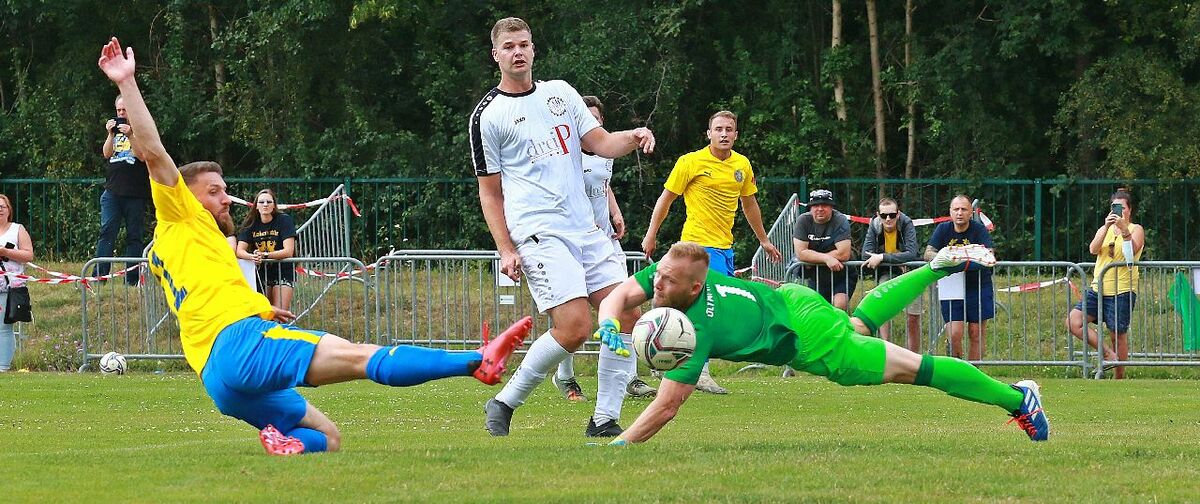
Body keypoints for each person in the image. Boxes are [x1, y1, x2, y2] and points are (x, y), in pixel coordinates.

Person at [98, 36, 531, 455]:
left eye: (225, 189)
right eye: (214, 191)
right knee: (363, 357)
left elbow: (205, 288)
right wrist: (127, 83)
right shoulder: (179, 213)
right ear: (185, 195)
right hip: (241, 345)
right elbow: (153, 152)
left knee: (327, 434)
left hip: (217, 377)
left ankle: (288, 445)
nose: (226, 197)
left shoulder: (168, 246)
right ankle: (476, 361)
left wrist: (262, 308)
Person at [593, 241, 1049, 445]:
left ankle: (1018, 399)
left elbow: (666, 407)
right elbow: (619, 295)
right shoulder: (674, 277)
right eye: (658, 279)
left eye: (665, 284)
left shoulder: (697, 327)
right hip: (794, 299)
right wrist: (610, 322)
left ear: (693, 289)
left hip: (807, 338)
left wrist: (618, 448)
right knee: (859, 326)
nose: (656, 289)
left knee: (913, 369)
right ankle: (935, 268)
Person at [470, 18, 655, 437]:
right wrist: (505, 248)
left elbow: (601, 143)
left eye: (524, 45)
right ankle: (504, 401)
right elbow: (490, 193)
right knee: (574, 327)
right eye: (509, 47)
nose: (518, 52)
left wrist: (635, 134)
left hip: (586, 229)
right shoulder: (488, 115)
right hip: (538, 231)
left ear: (534, 49)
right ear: (496, 55)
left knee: (626, 312)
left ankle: (605, 418)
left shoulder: (561, 93)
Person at [641, 110, 783, 395]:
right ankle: (699, 371)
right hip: (697, 246)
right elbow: (666, 198)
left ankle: (663, 352)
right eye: (718, 129)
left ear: (736, 134)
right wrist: (651, 233)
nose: (724, 134)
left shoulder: (742, 165)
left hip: (724, 248)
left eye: (729, 129)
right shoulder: (690, 162)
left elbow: (750, 204)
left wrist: (764, 240)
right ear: (708, 133)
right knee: (710, 307)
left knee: (692, 306)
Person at [552, 95, 657, 403]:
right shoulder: (565, 156)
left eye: (597, 119)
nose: (593, 124)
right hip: (574, 243)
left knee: (628, 309)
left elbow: (603, 183)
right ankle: (566, 377)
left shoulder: (604, 152)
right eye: (586, 118)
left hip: (605, 242)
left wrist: (614, 211)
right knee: (575, 317)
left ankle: (628, 378)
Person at [1066, 190, 1144, 379]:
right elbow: (1093, 249)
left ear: (1129, 210)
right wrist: (1106, 227)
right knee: (1073, 322)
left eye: (1122, 208)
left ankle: (1119, 377)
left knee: (1117, 334)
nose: (1119, 212)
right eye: (1115, 208)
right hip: (1098, 288)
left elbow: (1131, 254)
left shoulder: (1136, 229)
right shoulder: (1105, 228)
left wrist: (1124, 230)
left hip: (1122, 289)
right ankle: (1108, 353)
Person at [924, 195, 995, 360]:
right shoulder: (943, 229)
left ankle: (973, 375)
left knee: (975, 333)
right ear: (950, 212)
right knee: (955, 334)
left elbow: (989, 255)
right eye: (956, 209)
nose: (960, 213)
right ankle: (958, 370)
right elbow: (928, 253)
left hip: (978, 286)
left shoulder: (979, 230)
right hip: (951, 287)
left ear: (971, 212)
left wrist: (960, 259)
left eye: (964, 209)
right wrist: (947, 256)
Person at [96, 94, 152, 286]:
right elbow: (106, 153)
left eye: (124, 110)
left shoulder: (142, 130)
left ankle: (132, 279)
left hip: (135, 193)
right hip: (112, 191)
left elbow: (142, 156)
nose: (121, 114)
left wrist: (130, 135)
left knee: (134, 236)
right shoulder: (115, 131)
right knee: (107, 232)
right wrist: (110, 134)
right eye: (119, 110)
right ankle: (100, 276)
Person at [861, 197, 923, 351]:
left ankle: (913, 358)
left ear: (898, 214)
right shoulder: (874, 225)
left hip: (910, 272)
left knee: (913, 317)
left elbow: (912, 253)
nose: (888, 219)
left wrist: (882, 257)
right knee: (882, 310)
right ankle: (886, 350)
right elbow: (865, 254)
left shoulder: (906, 223)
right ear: (878, 215)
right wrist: (895, 260)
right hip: (887, 273)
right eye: (883, 216)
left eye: (892, 215)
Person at [792, 189, 857, 312]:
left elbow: (843, 254)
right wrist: (827, 258)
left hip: (842, 275)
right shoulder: (803, 221)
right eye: (816, 205)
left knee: (838, 306)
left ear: (831, 207)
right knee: (816, 311)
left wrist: (812, 257)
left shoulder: (840, 220)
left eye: (825, 205)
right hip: (816, 276)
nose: (820, 209)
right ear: (810, 208)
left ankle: (839, 331)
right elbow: (801, 253)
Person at [236, 189, 297, 312]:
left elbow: (288, 251)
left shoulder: (284, 220)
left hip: (283, 271)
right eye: (262, 202)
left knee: (280, 313)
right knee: (266, 313)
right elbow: (240, 251)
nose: (265, 204)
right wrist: (252, 257)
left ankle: (282, 331)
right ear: (256, 206)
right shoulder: (250, 223)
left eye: (269, 201)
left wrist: (264, 255)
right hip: (261, 274)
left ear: (274, 205)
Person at [0, 194, 34, 372]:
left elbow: (28, 255)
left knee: (4, 327)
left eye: (2, 207)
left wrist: (6, 252)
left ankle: (3, 367)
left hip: (9, 286)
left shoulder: (17, 229)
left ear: (8, 210)